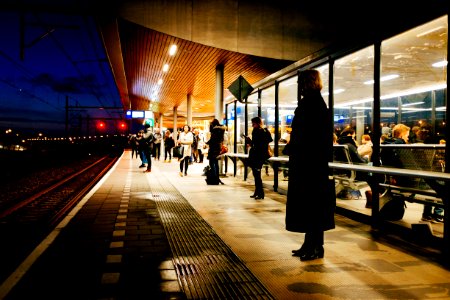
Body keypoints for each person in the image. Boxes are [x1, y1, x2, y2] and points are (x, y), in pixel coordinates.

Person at [286, 69, 335, 261]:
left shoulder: (311, 104)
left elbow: (308, 136)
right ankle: (310, 243)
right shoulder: (315, 103)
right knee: (311, 205)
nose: (298, 86)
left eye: (300, 82)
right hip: (312, 163)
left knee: (312, 205)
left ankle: (315, 246)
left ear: (307, 83)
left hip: (310, 165)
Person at [244, 116, 273, 200]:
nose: (252, 125)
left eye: (253, 123)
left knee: (256, 175)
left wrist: (250, 142)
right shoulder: (265, 130)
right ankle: (257, 192)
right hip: (261, 155)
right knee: (256, 175)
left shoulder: (257, 131)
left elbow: (256, 144)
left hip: (257, 156)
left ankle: (260, 193)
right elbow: (268, 141)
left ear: (257, 123)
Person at [206, 119, 227, 184]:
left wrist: (207, 143)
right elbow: (222, 139)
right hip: (218, 148)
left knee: (212, 163)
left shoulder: (214, 130)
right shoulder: (222, 130)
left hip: (213, 148)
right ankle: (217, 178)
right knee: (216, 163)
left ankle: (215, 178)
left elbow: (213, 139)